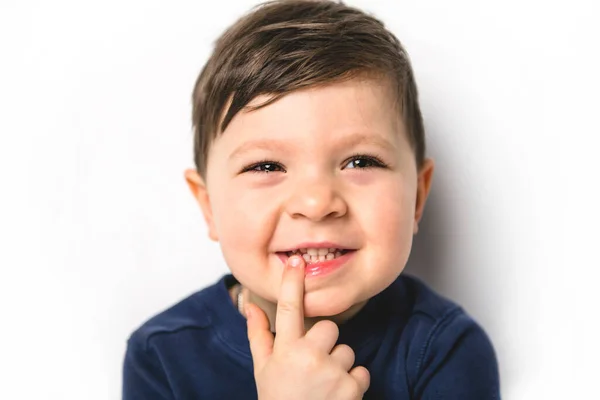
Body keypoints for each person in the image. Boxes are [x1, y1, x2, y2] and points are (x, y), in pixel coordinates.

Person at [122, 0, 500, 398]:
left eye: (360, 161)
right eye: (266, 167)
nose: (317, 203)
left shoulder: (446, 349)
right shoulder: (160, 357)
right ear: (209, 206)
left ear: (418, 197)